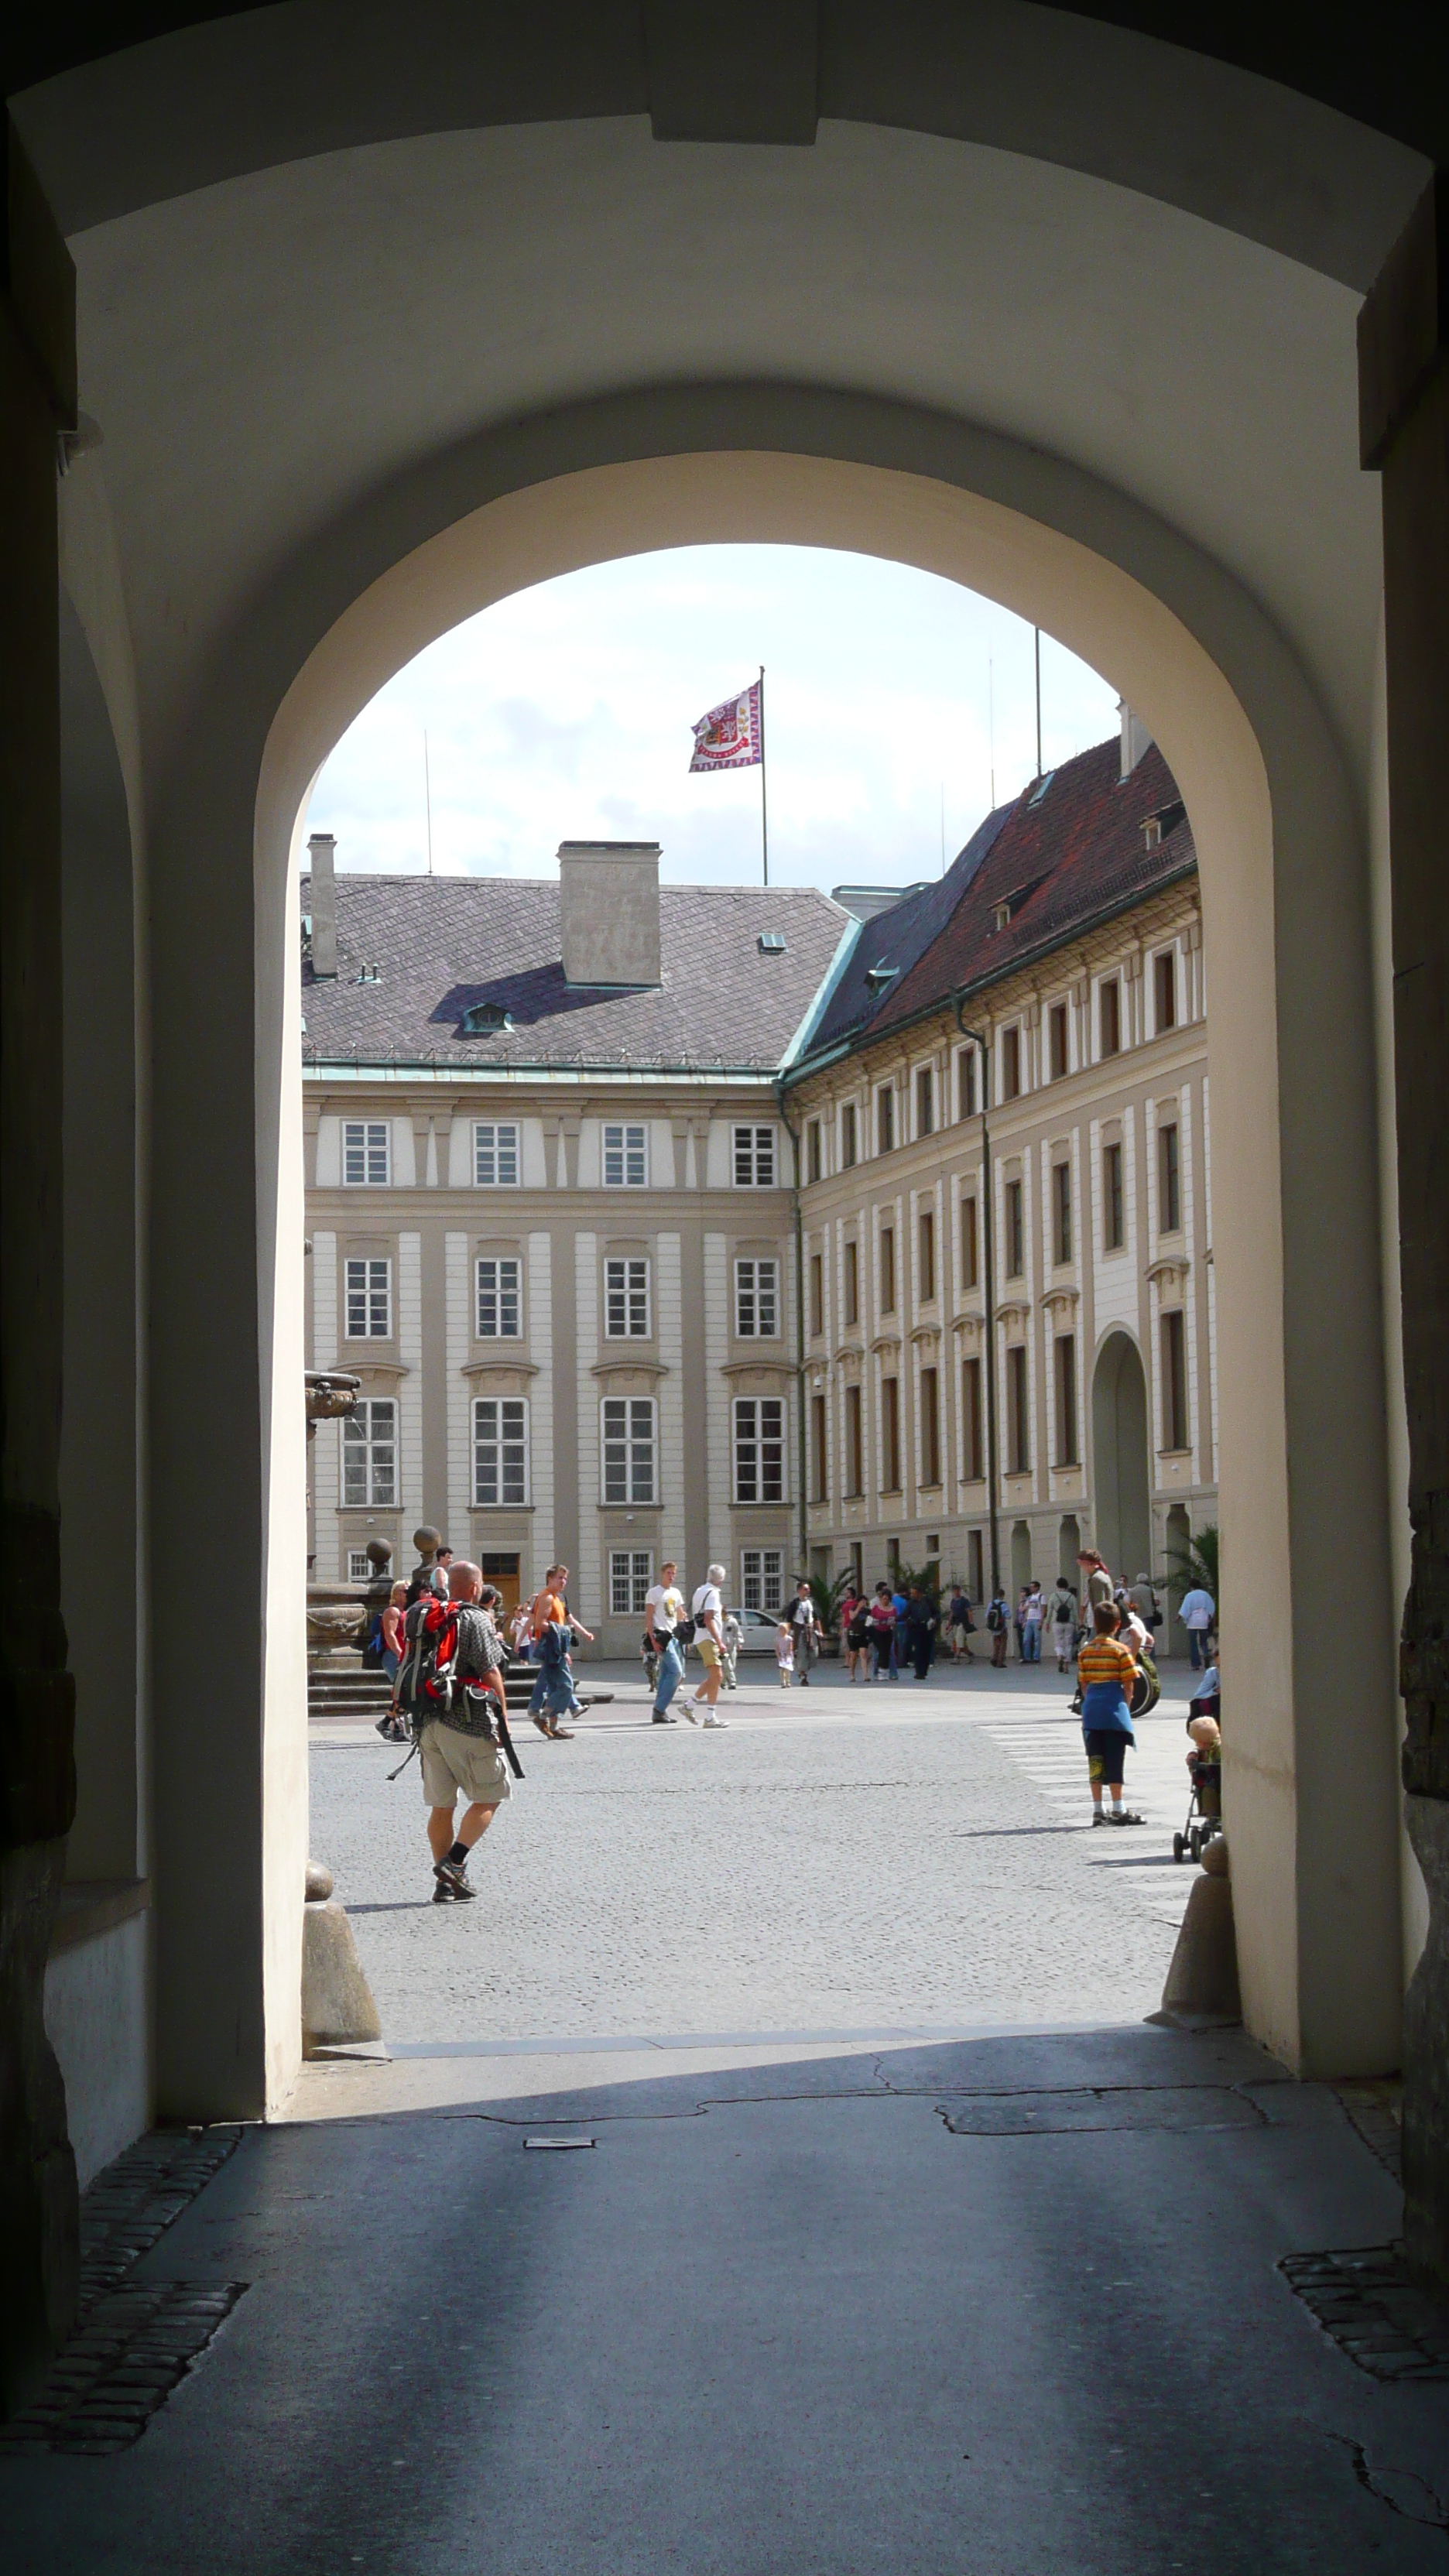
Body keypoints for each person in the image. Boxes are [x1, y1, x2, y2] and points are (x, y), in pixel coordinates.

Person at [410, 1561, 514, 1902]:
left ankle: (444, 1885)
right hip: (466, 1720)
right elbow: (490, 1671)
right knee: (490, 1795)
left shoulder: (423, 1615)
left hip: (427, 1723)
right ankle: (453, 1864)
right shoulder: (474, 1618)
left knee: (442, 1807)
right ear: (474, 1588)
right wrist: (503, 1719)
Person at [1077, 1600, 1143, 1826]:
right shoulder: (1121, 1651)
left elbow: (1084, 1685)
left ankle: (1098, 1810)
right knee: (1115, 1760)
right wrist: (1125, 1705)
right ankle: (1119, 1807)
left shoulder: (1084, 1652)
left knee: (1095, 1760)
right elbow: (1129, 1685)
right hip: (1113, 1710)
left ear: (1094, 1623)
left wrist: (1090, 1702)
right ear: (1117, 1625)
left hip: (1092, 1711)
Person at [684, 1563, 729, 1724]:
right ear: (721, 1579)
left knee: (714, 1677)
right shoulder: (713, 1594)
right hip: (708, 1639)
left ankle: (690, 1705)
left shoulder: (700, 1590)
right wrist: (720, 1642)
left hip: (702, 1637)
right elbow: (708, 1619)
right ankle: (709, 1717)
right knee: (717, 1676)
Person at [645, 1560, 687, 1724]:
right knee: (677, 1672)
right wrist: (652, 1639)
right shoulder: (654, 1593)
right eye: (669, 1573)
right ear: (662, 1573)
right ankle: (660, 1708)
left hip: (675, 1638)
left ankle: (658, 1711)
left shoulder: (676, 1593)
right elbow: (648, 1618)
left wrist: (685, 1628)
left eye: (673, 1574)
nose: (671, 1577)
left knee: (665, 1675)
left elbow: (680, 1614)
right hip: (662, 1637)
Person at [789, 1579, 822, 1685]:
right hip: (799, 1629)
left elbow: (817, 1617)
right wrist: (788, 1633)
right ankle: (803, 1674)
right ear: (799, 1590)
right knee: (801, 1653)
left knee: (814, 1653)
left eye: (808, 1589)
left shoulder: (811, 1602)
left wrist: (820, 1631)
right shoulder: (795, 1603)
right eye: (805, 1589)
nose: (808, 1591)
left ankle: (804, 1669)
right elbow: (789, 1619)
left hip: (810, 1630)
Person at [1179, 1579, 1216, 1670]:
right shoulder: (1205, 1595)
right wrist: (1210, 1617)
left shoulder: (1190, 1595)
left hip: (1193, 1620)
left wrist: (1179, 1617)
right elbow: (1211, 1607)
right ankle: (1206, 1654)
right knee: (1203, 1641)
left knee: (1193, 1643)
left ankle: (1195, 1664)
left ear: (1191, 1586)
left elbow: (1185, 1609)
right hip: (1203, 1619)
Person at [903, 1585, 937, 1681]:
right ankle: (919, 1672)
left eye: (913, 1593)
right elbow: (905, 1614)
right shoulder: (911, 1603)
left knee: (926, 1649)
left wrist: (934, 1620)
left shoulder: (927, 1601)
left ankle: (924, 1670)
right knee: (918, 1650)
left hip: (927, 1627)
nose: (912, 1595)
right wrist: (897, 1619)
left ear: (919, 1593)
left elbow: (936, 1612)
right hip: (916, 1628)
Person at [866, 1582, 897, 1680]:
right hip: (877, 1631)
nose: (885, 1601)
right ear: (881, 1599)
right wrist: (873, 1624)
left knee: (887, 1652)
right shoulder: (876, 1608)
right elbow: (870, 1619)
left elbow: (894, 1620)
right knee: (879, 1652)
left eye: (887, 1599)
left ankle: (885, 1671)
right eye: (884, 1599)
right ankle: (878, 1672)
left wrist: (892, 1623)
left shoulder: (893, 1609)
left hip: (888, 1631)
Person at [1050, 1574, 1078, 1673]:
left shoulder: (1053, 1596)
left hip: (1057, 1621)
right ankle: (1066, 1665)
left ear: (1057, 1585)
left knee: (1058, 1641)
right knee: (1068, 1643)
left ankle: (1059, 1654)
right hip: (1069, 1622)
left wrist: (1047, 1623)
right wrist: (1077, 1624)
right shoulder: (1072, 1597)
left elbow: (1050, 1611)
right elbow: (1075, 1612)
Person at [1077, 1550, 1115, 1617]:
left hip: (1103, 1620)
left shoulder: (1096, 1579)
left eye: (1081, 1565)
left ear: (1088, 1564)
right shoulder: (1104, 1575)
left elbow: (1100, 1606)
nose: (1082, 1568)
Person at [844, 1588, 871, 1683]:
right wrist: (858, 1608)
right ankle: (852, 1674)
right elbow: (852, 1617)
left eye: (865, 1602)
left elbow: (870, 1620)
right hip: (853, 1634)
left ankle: (865, 1675)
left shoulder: (867, 1611)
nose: (864, 1604)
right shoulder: (853, 1608)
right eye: (862, 1602)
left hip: (863, 1634)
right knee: (853, 1656)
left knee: (864, 1654)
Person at [946, 1584, 972, 1661]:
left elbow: (968, 1611)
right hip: (955, 1623)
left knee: (959, 1638)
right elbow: (952, 1612)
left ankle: (957, 1657)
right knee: (958, 1641)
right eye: (954, 1591)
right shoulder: (953, 1602)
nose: (956, 1592)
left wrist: (970, 1620)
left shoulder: (964, 1601)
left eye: (957, 1590)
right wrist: (949, 1623)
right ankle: (970, 1654)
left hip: (962, 1623)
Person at [1021, 1581, 1045, 1663]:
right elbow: (1025, 1609)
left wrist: (1041, 1621)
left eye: (1033, 1587)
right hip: (1029, 1619)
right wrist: (1025, 1620)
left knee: (1037, 1639)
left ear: (1037, 1588)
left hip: (1037, 1619)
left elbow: (1043, 1609)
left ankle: (1036, 1657)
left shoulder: (1041, 1596)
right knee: (1026, 1639)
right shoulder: (1029, 1598)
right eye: (1030, 1587)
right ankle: (1027, 1657)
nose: (1031, 1588)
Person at [985, 1588, 1009, 1668]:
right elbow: (1008, 1616)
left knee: (996, 1643)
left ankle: (994, 1658)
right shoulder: (1003, 1605)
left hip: (994, 1628)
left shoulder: (991, 1604)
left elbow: (987, 1615)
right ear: (1003, 1595)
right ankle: (1000, 1661)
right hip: (1002, 1627)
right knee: (1003, 1644)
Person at [721, 1605, 742, 1691]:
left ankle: (723, 1682)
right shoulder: (718, 1622)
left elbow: (737, 1632)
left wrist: (739, 1642)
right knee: (727, 1665)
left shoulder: (732, 1621)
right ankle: (733, 1683)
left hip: (732, 1645)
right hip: (722, 1647)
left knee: (733, 1665)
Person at [775, 1619, 795, 1688]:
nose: (782, 1631)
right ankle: (782, 1682)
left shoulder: (789, 1638)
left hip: (787, 1655)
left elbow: (790, 1648)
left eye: (783, 1629)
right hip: (781, 1654)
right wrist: (778, 1656)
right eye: (780, 1629)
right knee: (782, 1670)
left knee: (787, 1669)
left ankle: (788, 1681)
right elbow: (777, 1648)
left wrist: (787, 1655)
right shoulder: (778, 1638)